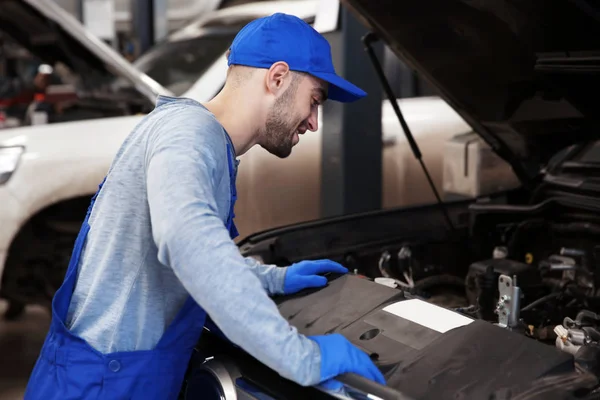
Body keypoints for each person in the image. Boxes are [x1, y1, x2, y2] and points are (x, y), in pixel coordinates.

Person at [24, 13, 385, 399]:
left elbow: (165, 264)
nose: (314, 123)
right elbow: (187, 241)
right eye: (314, 101)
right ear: (277, 77)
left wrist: (270, 279)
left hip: (114, 377)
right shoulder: (189, 136)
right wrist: (302, 357)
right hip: (103, 387)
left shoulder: (198, 136)